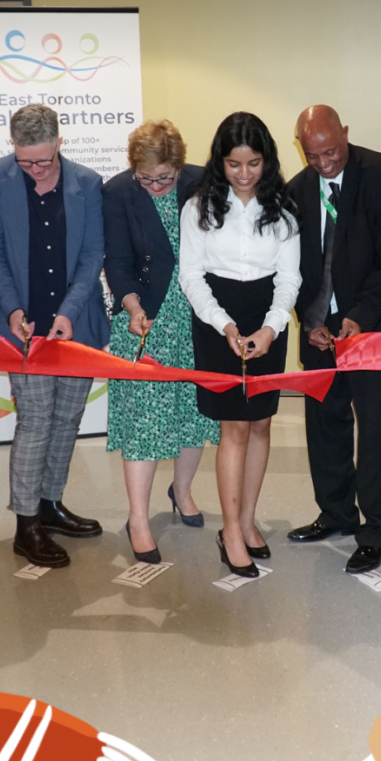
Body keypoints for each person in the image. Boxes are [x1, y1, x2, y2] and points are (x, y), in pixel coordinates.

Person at [0, 104, 109, 569]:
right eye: (24, 161)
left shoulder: (88, 183)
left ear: (59, 144)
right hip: (24, 325)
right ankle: (25, 524)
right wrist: (13, 308)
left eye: (42, 161)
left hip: (75, 324)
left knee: (68, 417)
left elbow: (93, 255)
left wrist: (70, 311)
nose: (33, 170)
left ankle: (50, 504)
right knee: (35, 420)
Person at [287, 105, 381, 574]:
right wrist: (307, 317)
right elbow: (292, 267)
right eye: (313, 155)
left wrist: (360, 316)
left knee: (374, 429)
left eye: (331, 151)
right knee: (324, 422)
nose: (323, 163)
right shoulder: (296, 190)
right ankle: (336, 513)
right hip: (318, 330)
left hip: (372, 327)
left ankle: (375, 529)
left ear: (346, 134)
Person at [179, 112, 300, 577]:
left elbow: (290, 278)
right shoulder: (199, 207)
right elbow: (191, 275)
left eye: (253, 164)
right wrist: (223, 324)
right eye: (234, 164)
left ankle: (248, 521)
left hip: (268, 316)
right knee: (234, 428)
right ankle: (230, 529)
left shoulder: (284, 210)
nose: (244, 174)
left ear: (267, 161)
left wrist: (270, 329)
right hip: (217, 319)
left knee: (262, 423)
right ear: (219, 162)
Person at [103, 120, 219, 563]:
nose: (156, 185)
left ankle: (182, 491)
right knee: (144, 421)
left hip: (195, 317)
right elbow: (116, 261)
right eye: (147, 177)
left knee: (194, 412)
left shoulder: (198, 180)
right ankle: (137, 517)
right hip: (144, 317)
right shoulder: (117, 193)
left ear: (178, 166)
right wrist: (132, 308)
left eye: (164, 178)